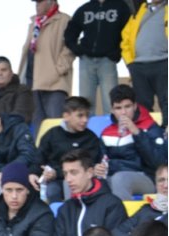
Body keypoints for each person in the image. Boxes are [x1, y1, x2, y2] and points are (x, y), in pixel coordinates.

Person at [101, 84, 167, 200]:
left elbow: (158, 163)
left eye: (127, 107)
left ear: (135, 106)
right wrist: (98, 167)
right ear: (112, 109)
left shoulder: (150, 126)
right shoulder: (106, 132)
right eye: (118, 108)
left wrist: (137, 133)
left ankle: (123, 218)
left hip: (146, 177)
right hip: (113, 175)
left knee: (120, 179)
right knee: (82, 180)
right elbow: (102, 160)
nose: (123, 113)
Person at [64, 0, 131, 115]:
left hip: (107, 60)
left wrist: (116, 52)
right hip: (86, 61)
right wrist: (78, 50)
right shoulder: (85, 9)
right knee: (85, 104)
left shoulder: (120, 6)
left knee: (111, 102)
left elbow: (128, 32)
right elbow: (70, 32)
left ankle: (111, 132)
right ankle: (86, 132)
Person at [32, 96, 104, 202]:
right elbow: (38, 160)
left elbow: (93, 164)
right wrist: (34, 173)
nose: (85, 120)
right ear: (66, 116)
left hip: (83, 182)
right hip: (57, 181)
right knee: (52, 191)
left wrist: (98, 168)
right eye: (80, 116)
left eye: (87, 116)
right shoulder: (52, 135)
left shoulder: (91, 138)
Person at [18, 0, 74, 128]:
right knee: (38, 128)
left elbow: (71, 48)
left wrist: (58, 69)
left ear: (51, 2)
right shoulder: (35, 23)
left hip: (55, 84)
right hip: (33, 82)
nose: (36, 5)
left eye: (40, 2)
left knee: (56, 126)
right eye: (35, 2)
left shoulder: (65, 20)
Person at [121, 0, 168, 128]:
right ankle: (146, 132)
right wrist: (130, 63)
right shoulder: (139, 11)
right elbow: (125, 37)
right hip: (139, 65)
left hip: (164, 62)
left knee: (166, 100)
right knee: (142, 104)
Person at [0, 105, 41, 188]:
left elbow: (28, 155)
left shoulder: (19, 129)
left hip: (27, 172)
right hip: (0, 181)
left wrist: (5, 173)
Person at [113, 164, 168, 236]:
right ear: (156, 185)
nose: (165, 185)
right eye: (161, 180)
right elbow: (116, 235)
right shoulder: (146, 210)